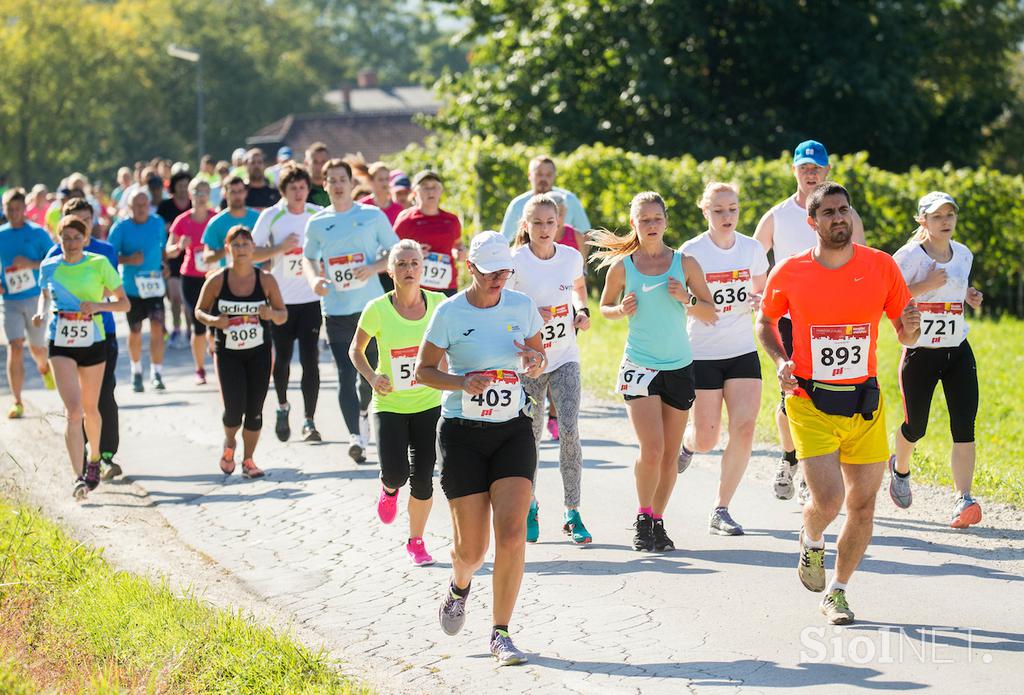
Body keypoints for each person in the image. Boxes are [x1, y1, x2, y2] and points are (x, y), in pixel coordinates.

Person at [756, 182, 921, 626]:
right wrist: (780, 360)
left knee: (863, 506)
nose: (839, 218)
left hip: (865, 402)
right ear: (812, 223)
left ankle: (839, 592)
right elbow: (766, 322)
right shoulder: (790, 271)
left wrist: (911, 329)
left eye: (844, 210)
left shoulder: (881, 266)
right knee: (828, 501)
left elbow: (906, 334)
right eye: (828, 212)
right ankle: (811, 538)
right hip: (809, 400)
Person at [416, 230, 546, 666]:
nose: (499, 279)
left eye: (505, 272)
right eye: (490, 273)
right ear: (471, 269)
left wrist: (533, 360)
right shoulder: (450, 313)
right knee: (472, 550)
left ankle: (501, 632)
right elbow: (423, 371)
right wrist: (461, 382)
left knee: (511, 535)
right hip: (463, 435)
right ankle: (459, 585)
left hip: (512, 430)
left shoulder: (522, 306)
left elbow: (537, 353)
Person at [593, 191, 717, 552]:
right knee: (652, 447)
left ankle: (657, 522)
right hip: (639, 366)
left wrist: (687, 299)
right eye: (643, 219)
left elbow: (710, 311)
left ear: (666, 222)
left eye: (656, 218)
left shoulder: (686, 264)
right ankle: (643, 515)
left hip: (678, 366)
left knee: (668, 453)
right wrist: (621, 310)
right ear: (634, 224)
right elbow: (603, 307)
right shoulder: (623, 267)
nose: (651, 225)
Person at [754, 140, 867, 504]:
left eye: (816, 167)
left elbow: (861, 262)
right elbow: (754, 259)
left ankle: (808, 467)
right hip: (789, 319)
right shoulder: (777, 215)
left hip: (835, 324)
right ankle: (791, 459)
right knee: (790, 394)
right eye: (804, 167)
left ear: (827, 170)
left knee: (827, 397)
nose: (810, 173)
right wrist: (760, 294)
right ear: (794, 171)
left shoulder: (845, 215)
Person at [677, 183, 769, 536]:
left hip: (742, 349)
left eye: (732, 209)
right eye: (718, 210)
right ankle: (688, 445)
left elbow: (762, 289)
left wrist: (760, 301)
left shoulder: (752, 249)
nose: (727, 216)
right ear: (705, 212)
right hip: (702, 353)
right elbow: (677, 297)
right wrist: (696, 307)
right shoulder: (691, 252)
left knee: (744, 428)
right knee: (706, 438)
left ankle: (722, 508)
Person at [890, 192, 984, 528]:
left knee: (964, 425)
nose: (945, 222)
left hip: (958, 349)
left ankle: (964, 498)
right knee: (916, 426)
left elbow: (958, 289)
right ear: (922, 221)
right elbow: (888, 295)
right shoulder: (908, 257)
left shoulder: (963, 254)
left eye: (950, 215)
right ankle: (900, 468)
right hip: (920, 352)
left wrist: (968, 295)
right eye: (937, 216)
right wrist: (923, 285)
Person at [350, 240, 445, 565]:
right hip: (389, 404)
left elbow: (452, 343)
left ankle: (416, 541)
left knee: (423, 478)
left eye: (413, 263)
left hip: (428, 402)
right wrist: (373, 378)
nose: (408, 269)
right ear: (390, 270)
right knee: (395, 473)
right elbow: (355, 351)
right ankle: (389, 490)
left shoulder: (438, 303)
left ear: (423, 268)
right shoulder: (377, 308)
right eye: (401, 264)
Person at [303, 159, 398, 463]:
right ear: (325, 185)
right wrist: (315, 278)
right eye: (331, 180)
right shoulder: (317, 222)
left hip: (370, 308)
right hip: (336, 310)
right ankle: (355, 438)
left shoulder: (371, 215)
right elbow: (308, 258)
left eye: (342, 178)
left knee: (369, 373)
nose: (338, 184)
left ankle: (362, 411)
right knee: (346, 373)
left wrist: (373, 267)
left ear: (351, 183)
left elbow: (397, 252)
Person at [509, 194, 592, 544]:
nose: (544, 229)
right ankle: (529, 503)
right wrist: (530, 313)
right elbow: (501, 306)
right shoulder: (514, 262)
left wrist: (581, 310)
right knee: (531, 436)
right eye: (537, 223)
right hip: (527, 363)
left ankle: (572, 511)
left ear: (559, 224)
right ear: (526, 226)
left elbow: (577, 289)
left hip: (563, 357)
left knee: (570, 428)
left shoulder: (570, 257)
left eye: (550, 222)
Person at [34, 217, 129, 498]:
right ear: (59, 238)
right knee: (73, 411)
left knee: (90, 408)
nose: (72, 243)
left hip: (93, 339)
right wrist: (42, 311)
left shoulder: (99, 264)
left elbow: (124, 303)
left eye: (77, 237)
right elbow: (44, 295)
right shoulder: (49, 265)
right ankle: (78, 477)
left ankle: (95, 458)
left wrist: (98, 306)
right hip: (60, 339)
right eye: (67, 237)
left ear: (86, 239)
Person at [195, 225, 287, 478]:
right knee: (234, 409)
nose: (241, 249)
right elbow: (199, 311)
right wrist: (215, 322)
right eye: (235, 244)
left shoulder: (265, 280)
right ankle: (229, 442)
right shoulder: (217, 280)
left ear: (253, 248)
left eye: (246, 244)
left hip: (259, 352)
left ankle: (248, 460)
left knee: (255, 409)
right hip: (228, 353)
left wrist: (271, 314)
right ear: (227, 249)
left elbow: (282, 315)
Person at [251, 164, 324, 442]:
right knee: (281, 359)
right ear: (283, 191)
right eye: (292, 188)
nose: (298, 192)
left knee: (311, 360)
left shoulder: (316, 215)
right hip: (280, 299)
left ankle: (309, 421)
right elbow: (254, 253)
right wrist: (279, 249)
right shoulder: (272, 216)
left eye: (302, 187)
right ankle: (282, 406)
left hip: (310, 298)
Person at [0, 188, 57, 417]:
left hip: (35, 298)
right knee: (15, 346)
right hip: (9, 300)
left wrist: (31, 264)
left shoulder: (38, 233)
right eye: (9, 209)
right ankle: (17, 401)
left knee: (37, 347)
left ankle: (44, 367)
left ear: (25, 208)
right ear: (4, 210)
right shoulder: (1, 234)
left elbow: (53, 259)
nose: (14, 213)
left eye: (17, 209)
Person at [107, 189, 168, 392]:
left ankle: (157, 373)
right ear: (129, 207)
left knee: (158, 327)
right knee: (135, 330)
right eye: (137, 205)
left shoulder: (157, 222)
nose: (141, 209)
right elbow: (109, 257)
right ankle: (136, 371)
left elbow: (162, 248)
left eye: (144, 205)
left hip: (154, 286)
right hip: (132, 288)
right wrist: (128, 260)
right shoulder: (120, 228)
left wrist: (165, 264)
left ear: (149, 205)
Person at [166, 178, 216, 384]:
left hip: (214, 276)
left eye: (205, 192)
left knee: (216, 323)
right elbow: (168, 251)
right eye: (197, 192)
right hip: (191, 278)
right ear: (190, 195)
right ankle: (199, 369)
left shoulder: (216, 219)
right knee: (198, 325)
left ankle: (217, 360)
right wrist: (178, 246)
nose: (201, 196)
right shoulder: (182, 220)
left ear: (209, 195)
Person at [393, 171, 464, 298]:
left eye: (435, 187)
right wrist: (414, 252)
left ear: (441, 191)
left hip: (447, 286)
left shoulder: (452, 220)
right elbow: (391, 250)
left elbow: (457, 244)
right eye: (425, 187)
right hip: (416, 287)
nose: (431, 192)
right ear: (414, 193)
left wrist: (460, 251)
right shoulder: (406, 220)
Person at [500, 156, 590, 242]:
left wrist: (581, 257)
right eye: (539, 174)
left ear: (555, 175)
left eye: (548, 174)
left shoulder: (569, 200)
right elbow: (504, 239)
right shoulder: (517, 204)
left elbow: (586, 233)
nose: (543, 178)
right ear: (529, 175)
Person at [156, 172, 191, 349]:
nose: (183, 189)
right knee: (175, 297)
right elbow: (159, 231)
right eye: (180, 185)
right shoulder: (165, 206)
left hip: (192, 256)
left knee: (189, 300)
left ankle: (190, 331)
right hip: (172, 256)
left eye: (186, 185)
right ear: (174, 187)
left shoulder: (194, 206)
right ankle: (176, 329)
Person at [202, 177, 260, 269]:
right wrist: (230, 247)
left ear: (245, 193)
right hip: (229, 278)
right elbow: (207, 257)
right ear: (225, 194)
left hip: (256, 275)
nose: (237, 196)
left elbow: (268, 247)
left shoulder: (258, 218)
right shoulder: (216, 222)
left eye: (240, 191)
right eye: (233, 192)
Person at [357, 161, 404, 226]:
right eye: (380, 179)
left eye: (387, 179)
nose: (385, 183)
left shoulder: (398, 209)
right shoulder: (361, 206)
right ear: (371, 181)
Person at [304, 142, 331, 207]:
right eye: (315, 162)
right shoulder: (300, 190)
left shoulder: (336, 189)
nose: (319, 166)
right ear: (306, 163)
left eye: (323, 162)